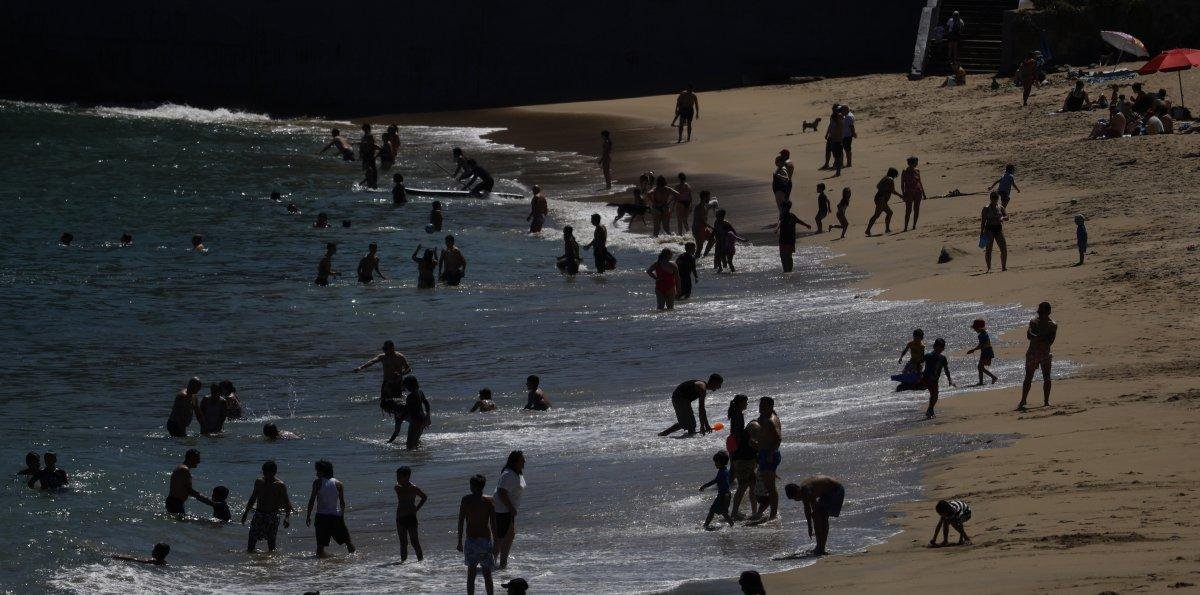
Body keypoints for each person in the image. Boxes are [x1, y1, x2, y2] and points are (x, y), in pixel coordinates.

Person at [241, 460, 294, 553]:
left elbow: (287, 503)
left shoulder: (280, 485)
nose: (265, 475)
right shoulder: (259, 482)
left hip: (272, 515)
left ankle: (270, 564)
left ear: (274, 472)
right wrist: (245, 513)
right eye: (264, 472)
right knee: (251, 542)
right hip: (259, 513)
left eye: (267, 473)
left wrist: (287, 517)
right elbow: (253, 498)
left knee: (271, 543)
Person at [784, 475, 845, 555]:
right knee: (818, 516)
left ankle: (820, 548)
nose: (796, 500)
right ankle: (820, 547)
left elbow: (814, 509)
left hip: (836, 490)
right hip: (827, 492)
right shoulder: (802, 491)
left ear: (797, 490)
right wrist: (810, 527)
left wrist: (812, 525)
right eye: (794, 499)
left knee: (820, 516)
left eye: (795, 497)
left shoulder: (806, 490)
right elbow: (807, 509)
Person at [457, 474, 497, 595]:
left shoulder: (466, 500)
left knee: (471, 575)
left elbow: (460, 521)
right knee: (487, 574)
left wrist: (459, 541)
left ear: (472, 486)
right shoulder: (489, 500)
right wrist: (496, 542)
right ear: (483, 486)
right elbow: (493, 523)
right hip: (485, 540)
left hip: (471, 540)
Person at [306, 460, 355, 557]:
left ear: (323, 472)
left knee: (320, 548)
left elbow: (312, 500)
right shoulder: (339, 484)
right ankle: (354, 561)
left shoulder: (317, 483)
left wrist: (308, 516)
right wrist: (342, 516)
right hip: (336, 516)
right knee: (348, 542)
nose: (316, 474)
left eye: (317, 471)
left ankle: (328, 564)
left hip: (321, 517)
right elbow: (342, 503)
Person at [1017, 302, 1057, 411]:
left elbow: (1049, 341)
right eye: (1039, 311)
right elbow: (1029, 335)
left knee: (1046, 377)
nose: (1039, 313)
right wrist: (1040, 337)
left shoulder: (1052, 324)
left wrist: (1037, 337)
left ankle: (1046, 401)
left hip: (1042, 352)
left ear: (1047, 312)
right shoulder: (1035, 322)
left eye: (1041, 311)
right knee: (1028, 377)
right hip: (1034, 352)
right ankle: (1024, 400)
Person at [658, 375, 723, 437]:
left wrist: (705, 426)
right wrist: (704, 426)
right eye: (719, 384)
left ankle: (663, 434)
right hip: (679, 398)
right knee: (690, 425)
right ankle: (664, 434)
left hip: (684, 400)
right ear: (714, 382)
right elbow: (701, 409)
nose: (719, 387)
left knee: (688, 423)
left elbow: (701, 409)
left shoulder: (703, 387)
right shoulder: (702, 388)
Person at [493, 451, 526, 569]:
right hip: (503, 510)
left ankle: (495, 563)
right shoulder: (508, 474)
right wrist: (510, 507)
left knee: (505, 537)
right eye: (522, 460)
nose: (524, 462)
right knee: (503, 538)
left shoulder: (515, 473)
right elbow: (501, 492)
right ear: (514, 462)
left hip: (506, 510)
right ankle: (500, 564)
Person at [753, 397, 782, 522]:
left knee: (770, 487)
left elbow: (778, 438)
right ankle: (761, 512)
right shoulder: (768, 416)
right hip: (764, 454)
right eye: (760, 405)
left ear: (770, 407)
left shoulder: (770, 420)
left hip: (769, 455)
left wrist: (770, 453)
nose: (760, 408)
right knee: (765, 486)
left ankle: (773, 514)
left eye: (764, 406)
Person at [727, 395, 757, 519]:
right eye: (746, 402)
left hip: (735, 446)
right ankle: (734, 512)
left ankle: (754, 512)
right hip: (739, 450)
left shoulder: (736, 413)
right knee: (743, 485)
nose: (747, 404)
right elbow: (737, 433)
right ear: (740, 403)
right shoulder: (738, 414)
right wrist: (743, 445)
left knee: (749, 483)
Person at [394, 466, 427, 563]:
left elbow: (424, 497)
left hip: (411, 517)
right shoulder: (397, 488)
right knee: (403, 542)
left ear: (407, 476)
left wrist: (417, 509)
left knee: (414, 541)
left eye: (399, 477)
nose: (397, 479)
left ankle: (421, 562)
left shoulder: (414, 488)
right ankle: (403, 562)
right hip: (400, 517)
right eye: (397, 477)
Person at [167, 449, 213, 515]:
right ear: (191, 458)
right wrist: (209, 502)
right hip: (175, 503)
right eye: (197, 459)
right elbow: (189, 491)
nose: (199, 461)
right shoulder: (184, 470)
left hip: (174, 502)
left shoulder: (181, 468)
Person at [699, 451, 735, 530]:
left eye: (715, 462)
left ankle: (705, 525)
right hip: (726, 494)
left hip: (723, 495)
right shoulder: (725, 470)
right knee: (722, 511)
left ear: (719, 462)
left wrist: (704, 486)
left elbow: (715, 481)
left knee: (713, 510)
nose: (715, 464)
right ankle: (732, 524)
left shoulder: (722, 472)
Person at [923, 338, 954, 418]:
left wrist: (949, 379)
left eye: (941, 348)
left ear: (943, 349)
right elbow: (919, 362)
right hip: (927, 378)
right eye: (938, 347)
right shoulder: (928, 356)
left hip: (935, 380)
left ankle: (930, 410)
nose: (939, 350)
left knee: (935, 395)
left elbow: (946, 369)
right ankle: (930, 411)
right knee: (934, 395)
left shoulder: (943, 358)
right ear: (934, 347)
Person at [777, 201, 812, 273]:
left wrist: (777, 228)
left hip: (785, 240)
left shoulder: (784, 216)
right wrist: (806, 225)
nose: (781, 209)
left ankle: (787, 270)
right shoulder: (791, 216)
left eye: (782, 208)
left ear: (785, 208)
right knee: (787, 256)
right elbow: (799, 221)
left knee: (784, 256)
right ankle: (788, 270)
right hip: (790, 239)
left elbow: (780, 222)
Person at [865, 168, 902, 236]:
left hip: (878, 198)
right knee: (885, 213)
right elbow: (892, 190)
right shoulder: (890, 179)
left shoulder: (885, 178)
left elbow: (878, 186)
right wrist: (900, 195)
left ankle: (869, 230)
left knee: (881, 214)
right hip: (881, 199)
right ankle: (884, 229)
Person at [400, 376, 431, 449]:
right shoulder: (420, 392)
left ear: (409, 385)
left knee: (409, 445)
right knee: (416, 441)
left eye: (406, 385)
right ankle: (419, 456)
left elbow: (406, 410)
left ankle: (415, 458)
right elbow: (426, 404)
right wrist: (428, 416)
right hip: (423, 419)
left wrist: (400, 417)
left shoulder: (410, 397)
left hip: (415, 421)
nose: (406, 388)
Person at [981, 192, 1008, 272]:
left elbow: (1007, 216)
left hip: (998, 229)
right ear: (990, 199)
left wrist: (1002, 218)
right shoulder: (986, 208)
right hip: (989, 230)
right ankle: (989, 267)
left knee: (1003, 248)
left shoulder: (1000, 207)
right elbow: (983, 221)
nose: (994, 201)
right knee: (989, 249)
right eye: (993, 199)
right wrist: (981, 232)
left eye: (996, 199)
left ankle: (1004, 267)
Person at [967, 319, 998, 385]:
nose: (974, 330)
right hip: (987, 350)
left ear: (978, 328)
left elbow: (981, 345)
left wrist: (973, 350)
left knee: (980, 367)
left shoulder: (981, 335)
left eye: (975, 328)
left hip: (986, 351)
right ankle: (982, 381)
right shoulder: (984, 333)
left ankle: (993, 377)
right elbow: (982, 345)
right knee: (980, 367)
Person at [900, 156, 927, 232]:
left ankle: (914, 225)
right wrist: (903, 194)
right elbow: (902, 184)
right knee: (908, 210)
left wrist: (924, 193)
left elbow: (920, 182)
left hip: (918, 192)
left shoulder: (917, 170)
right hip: (908, 193)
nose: (917, 163)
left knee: (916, 209)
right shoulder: (904, 171)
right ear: (912, 163)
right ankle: (905, 227)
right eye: (916, 162)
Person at [692, 191, 714, 256]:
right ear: (704, 197)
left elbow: (705, 212)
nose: (709, 199)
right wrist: (712, 227)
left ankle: (705, 255)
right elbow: (701, 221)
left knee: (712, 240)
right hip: (698, 229)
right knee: (699, 248)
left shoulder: (704, 206)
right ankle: (695, 262)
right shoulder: (699, 207)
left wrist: (710, 207)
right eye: (708, 197)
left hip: (703, 228)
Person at [824, 110, 845, 176]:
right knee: (836, 157)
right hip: (835, 142)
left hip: (837, 142)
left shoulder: (840, 124)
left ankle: (838, 172)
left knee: (837, 158)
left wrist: (832, 134)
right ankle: (837, 171)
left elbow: (837, 133)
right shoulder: (837, 124)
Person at [359, 123, 379, 189]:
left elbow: (371, 146)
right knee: (369, 171)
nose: (362, 129)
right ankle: (369, 185)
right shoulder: (366, 135)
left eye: (363, 127)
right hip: (367, 155)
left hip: (369, 155)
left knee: (370, 170)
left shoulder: (369, 136)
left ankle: (371, 185)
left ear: (367, 128)